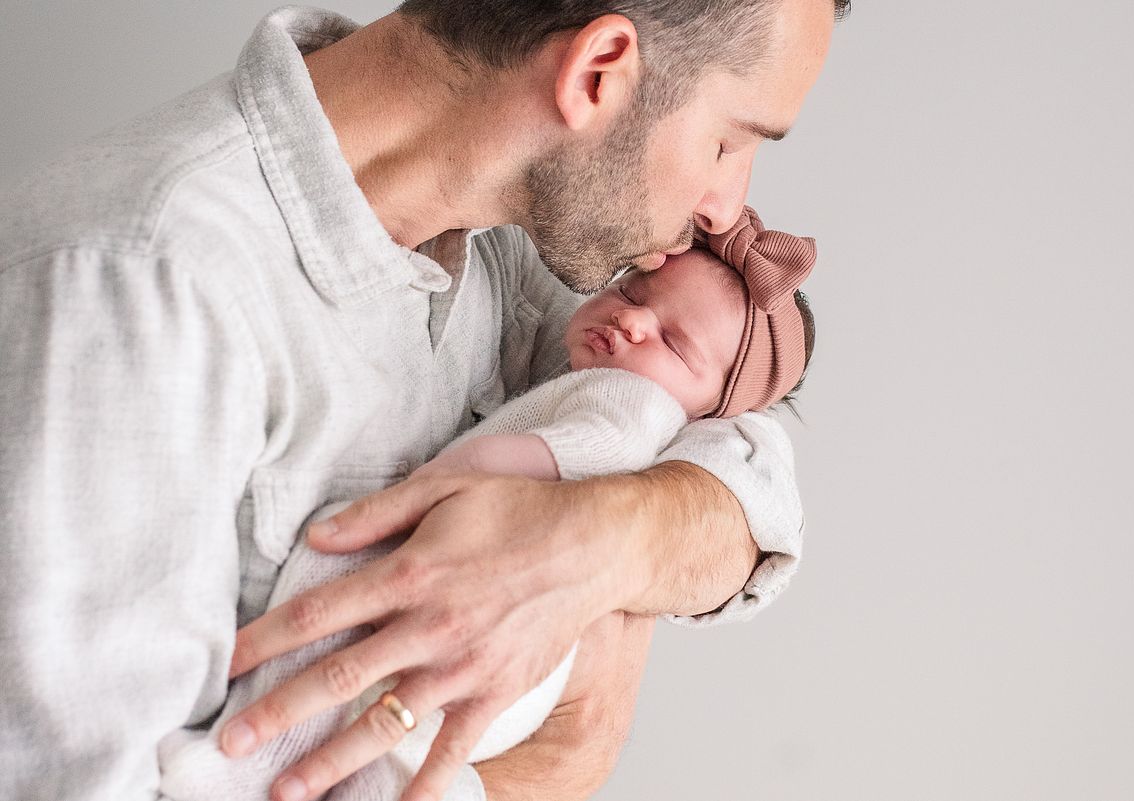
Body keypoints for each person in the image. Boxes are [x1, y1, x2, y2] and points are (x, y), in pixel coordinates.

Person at [0, 2, 847, 800]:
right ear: (599, 70)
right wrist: (565, 750)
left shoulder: (506, 253)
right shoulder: (133, 287)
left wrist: (607, 540)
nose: (725, 211)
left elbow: (745, 448)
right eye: (732, 142)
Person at [158, 209, 818, 801]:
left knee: (336, 693)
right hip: (500, 683)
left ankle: (226, 770)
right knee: (378, 748)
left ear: (715, 411)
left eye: (673, 343)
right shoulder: (550, 307)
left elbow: (581, 453)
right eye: (630, 290)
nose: (631, 320)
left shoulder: (636, 404)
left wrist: (453, 478)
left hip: (493, 646)